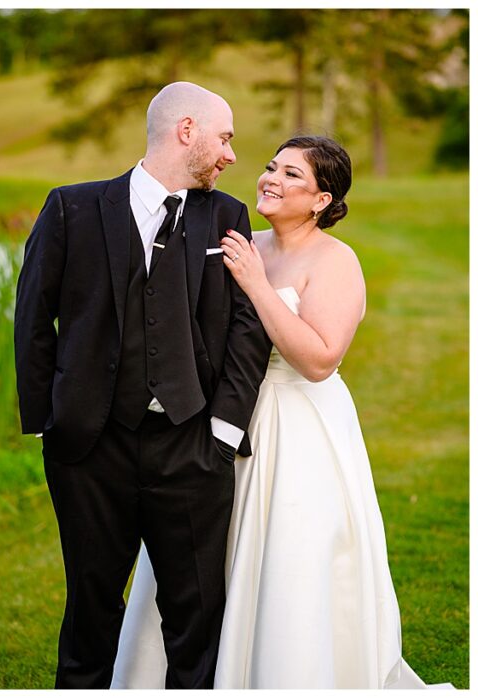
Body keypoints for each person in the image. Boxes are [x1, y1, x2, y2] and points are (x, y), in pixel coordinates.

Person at [113, 136, 446, 688]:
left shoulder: (335, 262)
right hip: (219, 420)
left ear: (321, 200)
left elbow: (319, 360)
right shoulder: (243, 240)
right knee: (194, 554)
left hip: (297, 427)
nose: (271, 179)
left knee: (290, 560)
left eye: (292, 175)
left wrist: (253, 283)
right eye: (271, 167)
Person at [14, 82, 272, 689]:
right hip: (88, 449)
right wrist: (52, 421)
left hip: (192, 444)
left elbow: (246, 326)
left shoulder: (227, 216)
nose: (231, 155)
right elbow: (32, 319)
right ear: (187, 130)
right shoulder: (71, 208)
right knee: (90, 611)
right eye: (225, 138)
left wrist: (224, 433)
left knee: (196, 619)